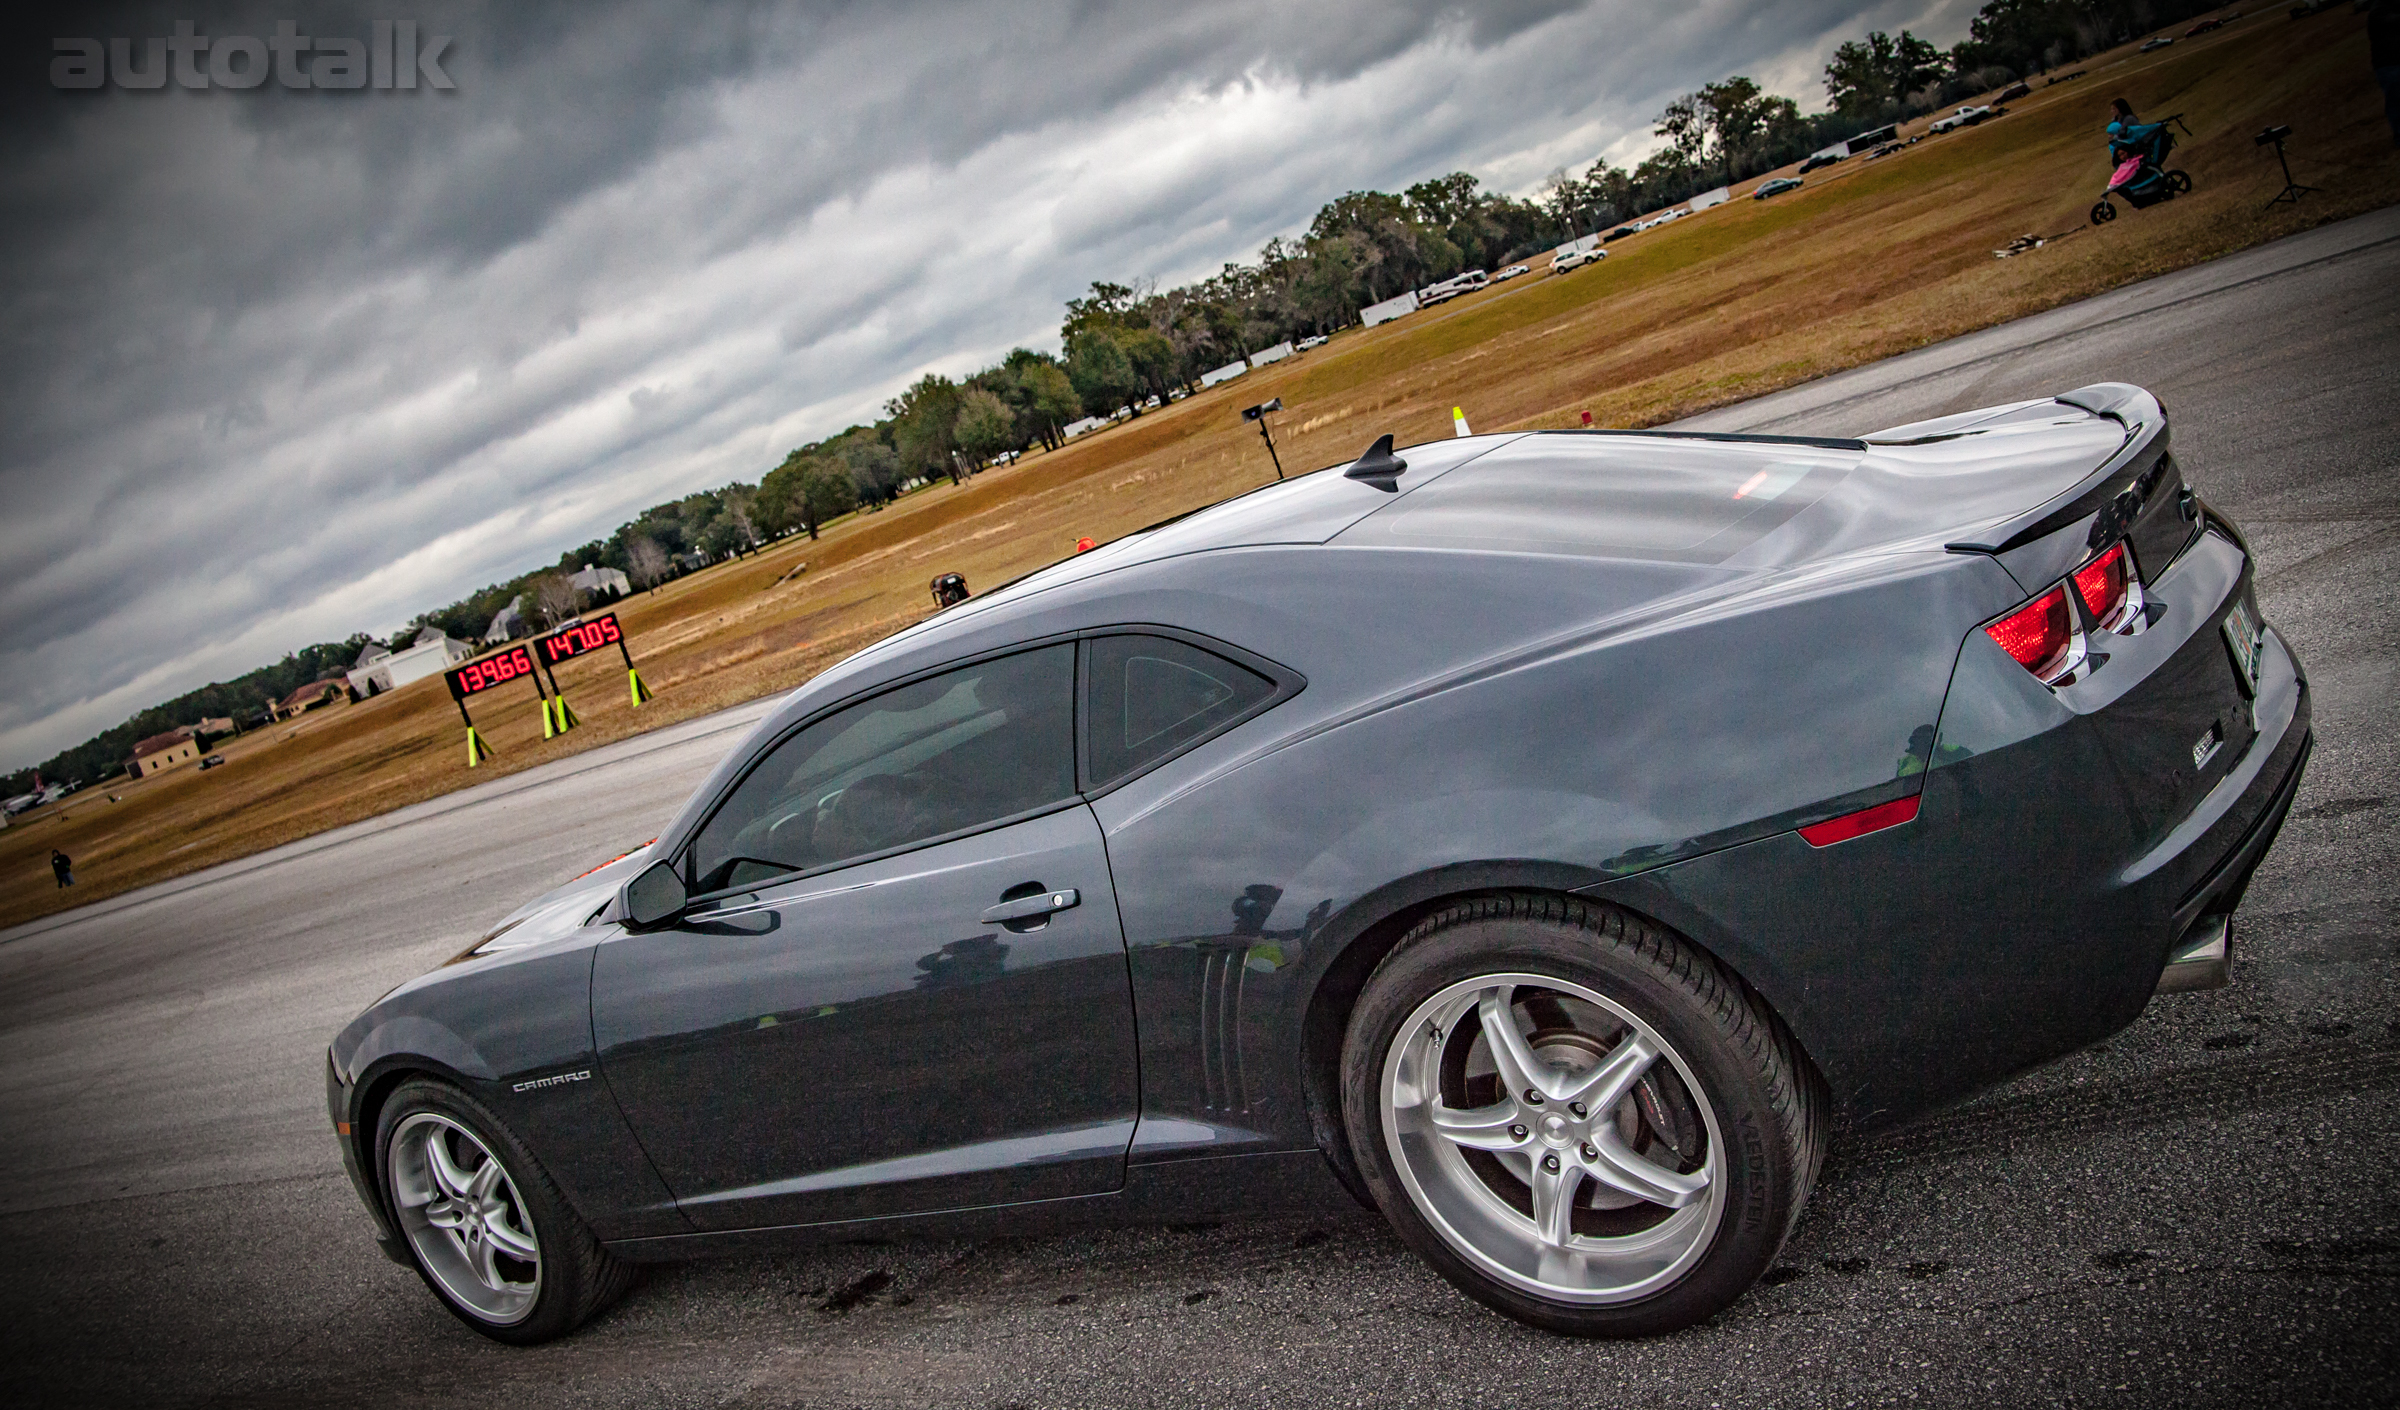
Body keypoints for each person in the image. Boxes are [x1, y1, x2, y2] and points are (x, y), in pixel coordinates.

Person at [2374, 0, 2400, 147]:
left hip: (2392, 64)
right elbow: (2391, 22)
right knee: (2395, 102)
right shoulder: (2378, 11)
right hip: (2388, 66)